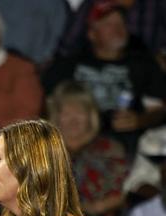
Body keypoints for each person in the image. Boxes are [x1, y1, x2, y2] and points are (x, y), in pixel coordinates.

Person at [42, 1, 166, 154]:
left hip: (127, 147)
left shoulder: (142, 64)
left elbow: (158, 110)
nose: (117, 28)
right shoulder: (67, 66)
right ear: (92, 34)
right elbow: (45, 106)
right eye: (108, 23)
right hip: (74, 142)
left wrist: (140, 120)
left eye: (121, 22)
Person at [47, 81, 129, 216]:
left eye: (80, 112)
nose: (73, 119)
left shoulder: (109, 148)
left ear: (91, 116)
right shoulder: (44, 151)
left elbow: (121, 194)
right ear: (56, 116)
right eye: (66, 113)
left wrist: (93, 209)